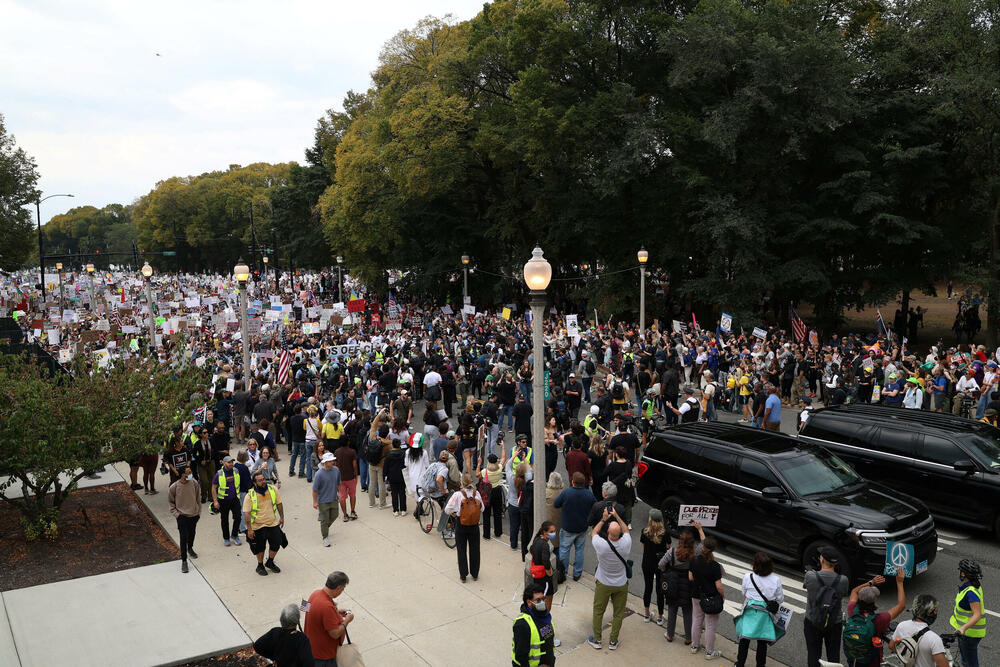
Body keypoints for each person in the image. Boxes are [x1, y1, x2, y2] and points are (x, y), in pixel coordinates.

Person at [588, 505, 631, 651]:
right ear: (619, 534)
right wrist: (617, 516)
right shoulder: (626, 543)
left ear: (608, 533)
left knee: (598, 611)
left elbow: (593, 533)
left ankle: (597, 640)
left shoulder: (602, 545)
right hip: (621, 583)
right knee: (618, 613)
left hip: (604, 582)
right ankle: (613, 641)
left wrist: (603, 519)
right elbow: (627, 530)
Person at [843, 570, 906, 667]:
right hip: (872, 662)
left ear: (860, 598)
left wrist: (871, 582)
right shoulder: (879, 620)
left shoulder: (852, 609)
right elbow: (901, 605)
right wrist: (900, 582)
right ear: (875, 601)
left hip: (853, 659)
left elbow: (854, 591)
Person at [734, 552, 783, 667]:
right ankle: (760, 665)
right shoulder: (776, 580)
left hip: (749, 611)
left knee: (744, 639)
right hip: (765, 613)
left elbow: (743, 593)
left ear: (755, 564)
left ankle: (740, 663)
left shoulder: (748, 577)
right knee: (762, 642)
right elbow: (780, 599)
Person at [803, 547, 849, 667]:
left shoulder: (810, 576)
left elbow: (807, 586)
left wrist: (812, 573)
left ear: (822, 560)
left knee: (813, 655)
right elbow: (844, 593)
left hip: (812, 620)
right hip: (834, 622)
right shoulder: (843, 580)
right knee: (833, 656)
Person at [304, 571, 354, 667]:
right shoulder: (327, 607)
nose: (342, 591)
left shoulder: (314, 593)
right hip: (324, 657)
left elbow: (306, 609)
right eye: (343, 589)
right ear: (338, 588)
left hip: (311, 648)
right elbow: (335, 634)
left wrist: (335, 612)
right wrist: (347, 620)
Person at [887, 594, 949, 667]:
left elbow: (891, 646)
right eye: (935, 611)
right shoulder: (934, 639)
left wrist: (905, 657)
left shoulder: (902, 625)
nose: (936, 613)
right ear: (929, 613)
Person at [243, 470, 285, 576]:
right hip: (257, 526)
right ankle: (260, 565)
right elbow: (247, 514)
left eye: (263, 479)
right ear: (254, 483)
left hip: (272, 523)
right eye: (260, 480)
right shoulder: (249, 496)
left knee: (277, 543)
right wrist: (249, 529)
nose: (263, 482)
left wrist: (282, 517)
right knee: (260, 548)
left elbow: (279, 504)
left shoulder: (273, 489)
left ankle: (270, 562)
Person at [658, 527, 695, 644]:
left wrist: (666, 572)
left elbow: (661, 564)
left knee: (672, 610)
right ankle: (689, 638)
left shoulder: (672, 552)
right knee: (687, 612)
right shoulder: (693, 555)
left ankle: (670, 635)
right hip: (687, 587)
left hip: (673, 585)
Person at [689, 535, 724, 659]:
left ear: (702, 547)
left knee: (697, 620)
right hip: (711, 597)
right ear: (713, 550)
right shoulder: (715, 566)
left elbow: (690, 577)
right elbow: (719, 586)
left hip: (696, 594)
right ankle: (709, 652)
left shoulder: (694, 560)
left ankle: (694, 646)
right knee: (710, 625)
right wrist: (723, 596)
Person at [445, 474, 484, 582]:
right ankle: (475, 574)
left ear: (461, 483)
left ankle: (463, 575)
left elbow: (447, 509)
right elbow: (482, 509)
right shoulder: (477, 494)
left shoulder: (457, 495)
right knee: (475, 549)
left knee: (461, 550)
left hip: (461, 524)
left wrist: (455, 513)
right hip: (474, 525)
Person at [950, 558, 985, 667]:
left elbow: (977, 614)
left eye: (961, 570)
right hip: (970, 633)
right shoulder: (975, 585)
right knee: (966, 660)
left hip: (969, 634)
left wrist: (963, 628)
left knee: (969, 663)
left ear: (963, 574)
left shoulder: (970, 592)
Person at [512, 584, 557, 667]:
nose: (542, 602)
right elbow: (521, 656)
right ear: (529, 602)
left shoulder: (546, 616)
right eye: (538, 600)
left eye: (543, 599)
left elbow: (549, 640)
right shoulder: (522, 624)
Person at [168, 464, 201, 573]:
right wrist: (177, 515)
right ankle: (184, 561)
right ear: (182, 475)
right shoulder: (174, 487)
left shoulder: (194, 483)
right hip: (182, 516)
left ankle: (190, 548)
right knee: (183, 538)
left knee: (192, 533)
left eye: (191, 472)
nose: (191, 474)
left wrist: (198, 512)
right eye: (189, 473)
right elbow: (171, 503)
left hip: (193, 515)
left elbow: (198, 498)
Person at [640, 509, 668, 625]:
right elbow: (668, 548)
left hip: (647, 563)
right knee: (659, 590)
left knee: (648, 588)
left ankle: (646, 614)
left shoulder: (644, 532)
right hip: (660, 564)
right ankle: (660, 617)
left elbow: (644, 548)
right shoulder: (665, 534)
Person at [526, 521, 558, 613]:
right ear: (544, 532)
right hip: (544, 578)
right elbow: (545, 561)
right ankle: (545, 616)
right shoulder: (545, 545)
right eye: (551, 532)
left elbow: (532, 549)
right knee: (546, 599)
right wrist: (549, 572)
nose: (554, 533)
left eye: (554, 531)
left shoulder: (537, 540)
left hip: (537, 576)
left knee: (538, 598)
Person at [212, 455, 243, 547]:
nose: (231, 464)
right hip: (223, 500)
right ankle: (226, 538)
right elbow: (213, 488)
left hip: (235, 499)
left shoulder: (236, 471)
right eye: (229, 462)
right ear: (224, 463)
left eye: (232, 462)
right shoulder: (219, 474)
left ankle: (234, 535)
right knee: (224, 520)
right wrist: (215, 501)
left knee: (238, 517)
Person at [312, 452, 341, 547]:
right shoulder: (319, 474)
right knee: (324, 519)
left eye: (332, 460)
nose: (333, 462)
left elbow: (338, 483)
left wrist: (339, 493)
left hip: (333, 498)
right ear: (325, 462)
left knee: (335, 515)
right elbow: (315, 490)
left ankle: (324, 527)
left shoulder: (336, 470)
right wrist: (315, 502)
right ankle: (325, 537)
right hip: (323, 501)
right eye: (330, 461)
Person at [479, 452, 506, 540]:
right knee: (497, 513)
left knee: (486, 514)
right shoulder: (499, 469)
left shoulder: (484, 471)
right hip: (497, 491)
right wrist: (502, 448)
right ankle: (498, 532)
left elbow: (477, 474)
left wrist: (479, 463)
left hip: (488, 492)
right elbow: (503, 459)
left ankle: (486, 534)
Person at [333, 434, 359, 522]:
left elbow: (335, 465)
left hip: (340, 478)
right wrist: (356, 475)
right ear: (348, 442)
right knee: (352, 495)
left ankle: (345, 515)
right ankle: (353, 511)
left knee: (342, 497)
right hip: (351, 477)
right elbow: (354, 465)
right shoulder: (352, 452)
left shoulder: (336, 452)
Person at [383, 437, 408, 516]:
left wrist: (384, 475)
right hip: (402, 476)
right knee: (402, 493)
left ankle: (395, 510)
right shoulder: (403, 454)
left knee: (394, 493)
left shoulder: (389, 455)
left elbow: (386, 467)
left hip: (392, 476)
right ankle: (403, 509)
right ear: (400, 445)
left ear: (392, 445)